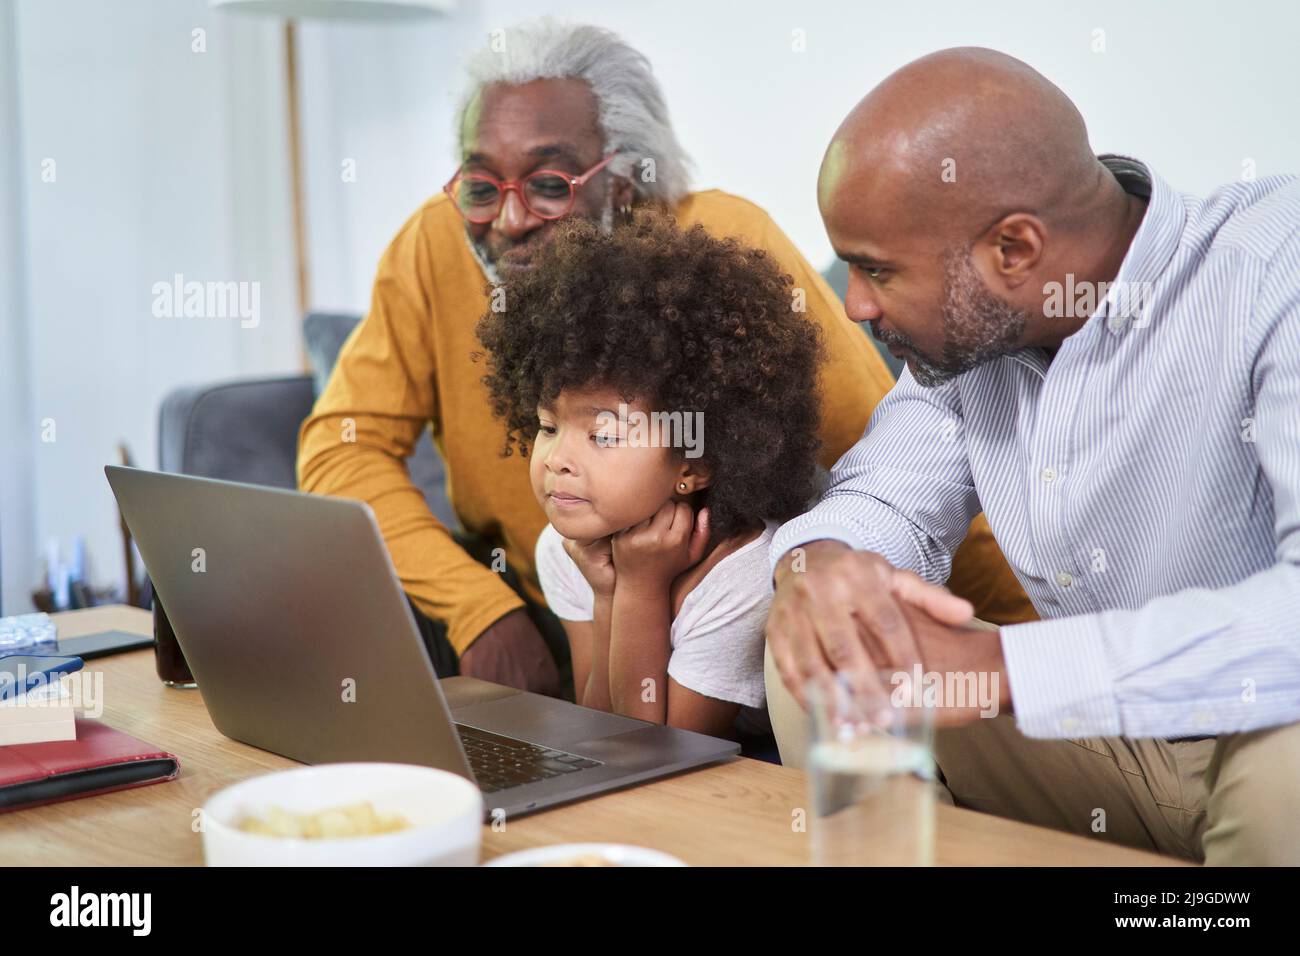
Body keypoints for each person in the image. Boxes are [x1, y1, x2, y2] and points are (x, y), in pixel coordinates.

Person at [297, 20, 1036, 698]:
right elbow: (341, 449)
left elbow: (889, 462)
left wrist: (1017, 648)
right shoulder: (434, 242)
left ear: (624, 178)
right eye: (483, 185)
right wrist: (479, 609)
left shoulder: (726, 247)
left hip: (728, 642)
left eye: (550, 185)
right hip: (562, 605)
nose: (510, 219)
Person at [764, 46, 1300, 865]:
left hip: (1265, 736)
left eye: (876, 270)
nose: (855, 303)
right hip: (1109, 748)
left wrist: (1004, 666)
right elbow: (884, 493)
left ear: (1014, 249)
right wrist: (824, 561)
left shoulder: (1273, 272)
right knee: (832, 654)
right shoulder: (972, 340)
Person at [476, 211, 823, 738]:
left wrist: (638, 587)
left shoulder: (745, 572)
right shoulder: (566, 547)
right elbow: (597, 729)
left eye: (604, 435)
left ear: (693, 464)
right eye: (548, 426)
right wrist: (608, 594)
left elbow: (657, 752)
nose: (556, 459)